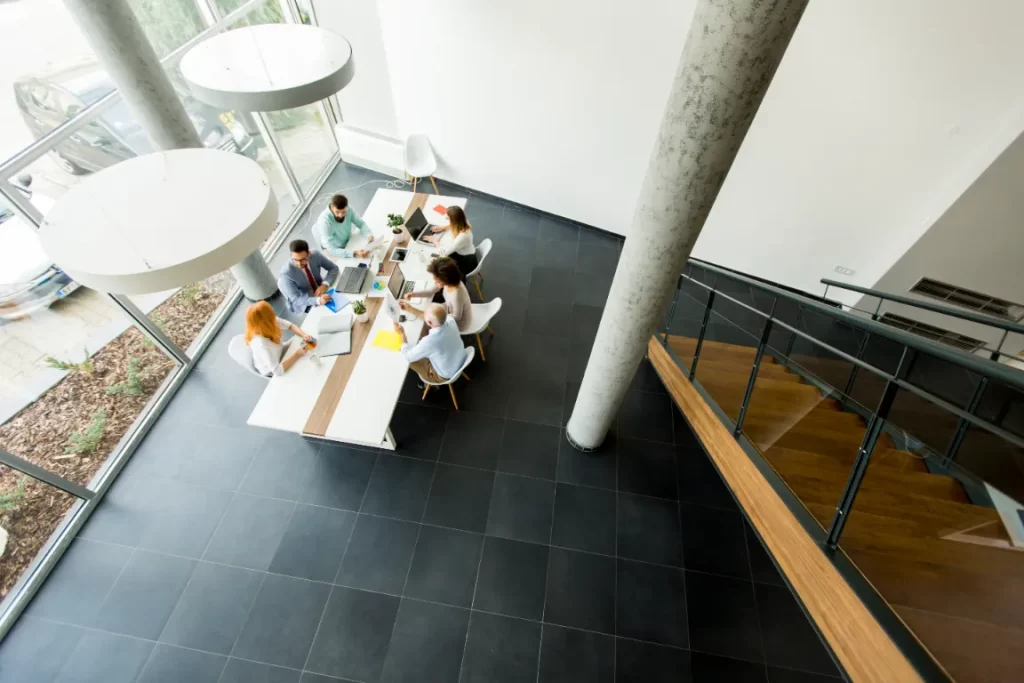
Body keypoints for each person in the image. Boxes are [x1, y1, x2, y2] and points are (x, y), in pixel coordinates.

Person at [394, 304, 468, 384]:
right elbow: (431, 320)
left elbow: (408, 356)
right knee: (423, 331)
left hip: (444, 375)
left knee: (405, 357)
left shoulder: (430, 341)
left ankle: (427, 380)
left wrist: (402, 334)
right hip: (461, 358)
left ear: (429, 322)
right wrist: (410, 308)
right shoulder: (450, 320)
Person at [400, 257, 472, 331]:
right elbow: (430, 292)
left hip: (459, 324)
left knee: (428, 319)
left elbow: (457, 317)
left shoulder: (457, 295)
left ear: (445, 280)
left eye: (437, 281)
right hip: (449, 308)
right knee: (429, 312)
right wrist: (413, 294)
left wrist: (438, 316)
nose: (435, 282)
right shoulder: (450, 283)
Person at [245, 301, 314, 377]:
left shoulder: (269, 321)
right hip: (271, 371)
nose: (274, 315)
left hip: (278, 353)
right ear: (265, 322)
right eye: (271, 314)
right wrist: (297, 354)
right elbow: (277, 371)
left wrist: (304, 335)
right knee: (303, 367)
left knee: (299, 341)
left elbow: (290, 325)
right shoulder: (261, 344)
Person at [278, 239, 340, 314]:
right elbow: (296, 300)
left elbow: (333, 268)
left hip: (321, 289)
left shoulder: (315, 255)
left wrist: (325, 285)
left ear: (309, 254)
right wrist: (318, 300)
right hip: (306, 302)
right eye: (295, 260)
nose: (299, 263)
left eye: (302, 259)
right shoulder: (286, 273)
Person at [424, 205, 478, 276]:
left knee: (437, 263)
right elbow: (453, 224)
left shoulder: (463, 237)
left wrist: (435, 241)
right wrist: (442, 228)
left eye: (448, 219)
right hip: (466, 252)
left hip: (465, 263)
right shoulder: (464, 222)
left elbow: (444, 254)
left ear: (454, 220)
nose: (446, 219)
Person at [316, 194, 374, 258]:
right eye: (337, 212)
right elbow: (332, 250)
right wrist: (354, 253)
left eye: (343, 212)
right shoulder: (324, 222)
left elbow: (361, 224)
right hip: (332, 249)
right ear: (332, 207)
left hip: (347, 240)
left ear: (346, 207)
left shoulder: (348, 209)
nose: (340, 215)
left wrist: (369, 236)